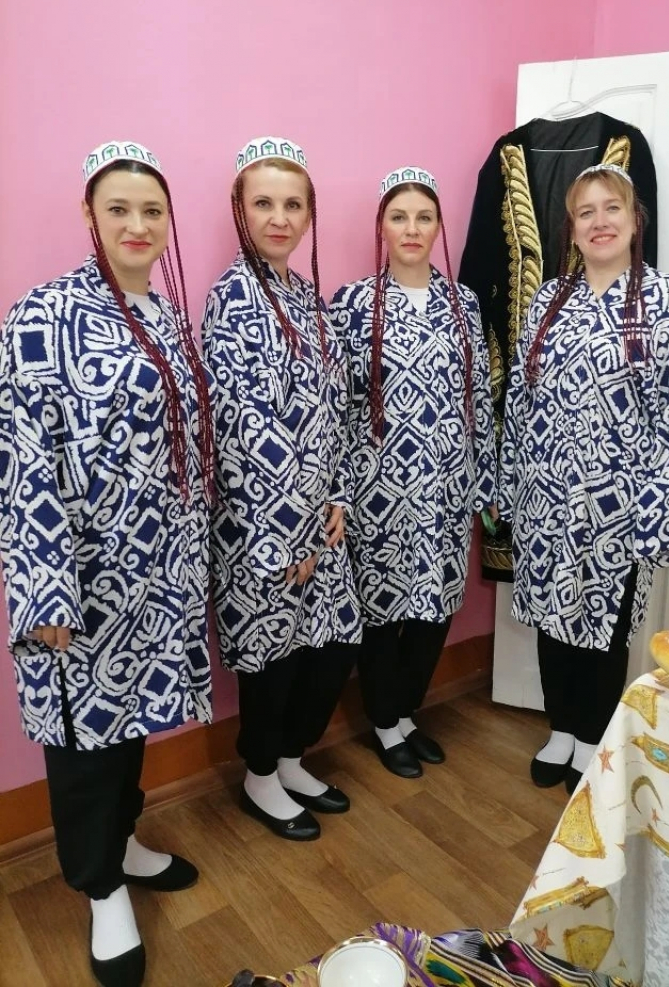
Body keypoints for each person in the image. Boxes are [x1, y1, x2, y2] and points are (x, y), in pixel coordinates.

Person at [0, 141, 215, 987]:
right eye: (118, 208)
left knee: (130, 719)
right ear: (88, 215)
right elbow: (22, 460)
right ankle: (100, 888)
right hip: (81, 575)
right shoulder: (42, 315)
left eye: (151, 210)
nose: (137, 224)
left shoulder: (165, 314)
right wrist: (44, 586)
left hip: (157, 570)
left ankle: (123, 840)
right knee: (85, 736)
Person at [499, 163, 669, 795]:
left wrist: (663, 508)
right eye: (585, 212)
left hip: (621, 506)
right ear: (572, 227)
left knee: (603, 625)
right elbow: (520, 401)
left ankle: (592, 738)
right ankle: (561, 729)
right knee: (550, 617)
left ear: (634, 219)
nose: (599, 222)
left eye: (611, 208)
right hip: (546, 497)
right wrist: (510, 486)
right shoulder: (549, 302)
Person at [202, 136, 361, 842]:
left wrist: (338, 498)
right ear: (240, 209)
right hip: (262, 527)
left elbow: (335, 408)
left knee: (330, 646)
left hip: (319, 521)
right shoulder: (232, 299)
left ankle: (292, 757)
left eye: (292, 204)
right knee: (272, 656)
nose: (279, 217)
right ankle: (260, 774)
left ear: (308, 214)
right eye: (263, 202)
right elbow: (240, 429)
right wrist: (285, 536)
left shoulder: (309, 298)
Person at [329, 167, 497, 778]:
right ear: (382, 226)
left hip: (448, 484)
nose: (411, 228)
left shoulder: (463, 304)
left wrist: (485, 480)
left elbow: (478, 396)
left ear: (438, 227)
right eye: (399, 216)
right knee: (382, 611)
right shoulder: (352, 304)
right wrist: (339, 490)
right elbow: (338, 403)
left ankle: (405, 713)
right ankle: (384, 722)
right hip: (377, 488)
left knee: (435, 606)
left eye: (424, 217)